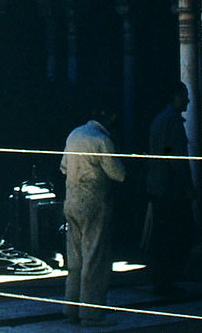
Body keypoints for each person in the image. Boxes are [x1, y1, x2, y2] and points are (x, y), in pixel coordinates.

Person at [61, 106, 126, 325]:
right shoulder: (101, 140)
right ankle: (91, 314)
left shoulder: (74, 134)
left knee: (75, 259)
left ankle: (71, 309)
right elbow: (118, 174)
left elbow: (63, 167)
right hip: (94, 202)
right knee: (95, 259)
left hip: (71, 200)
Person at [144, 81, 194, 295]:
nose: (188, 101)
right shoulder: (172, 121)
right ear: (175, 97)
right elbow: (176, 158)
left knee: (162, 234)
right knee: (175, 234)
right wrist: (187, 186)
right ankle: (166, 280)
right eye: (184, 96)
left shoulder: (159, 120)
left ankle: (160, 279)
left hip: (158, 186)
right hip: (170, 189)